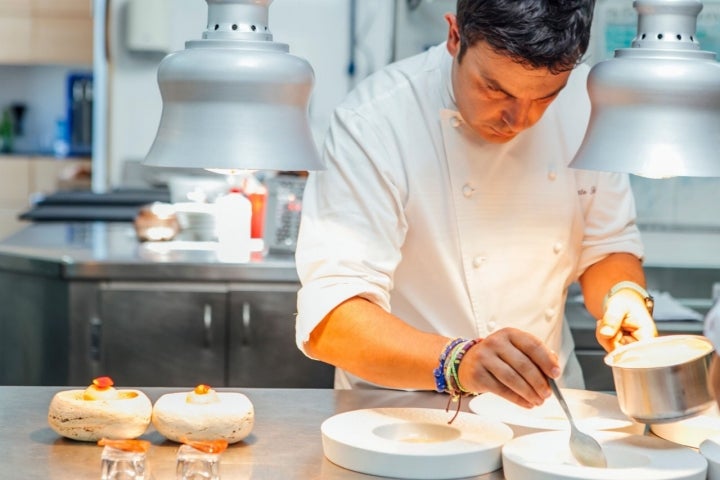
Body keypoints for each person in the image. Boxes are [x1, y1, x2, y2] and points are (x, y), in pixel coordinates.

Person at [294, 0, 658, 410]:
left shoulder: (589, 103)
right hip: (403, 413)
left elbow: (606, 246)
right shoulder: (375, 121)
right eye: (494, 89)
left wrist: (622, 295)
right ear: (455, 37)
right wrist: (459, 361)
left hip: (545, 411)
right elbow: (332, 319)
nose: (519, 120)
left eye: (546, 97)